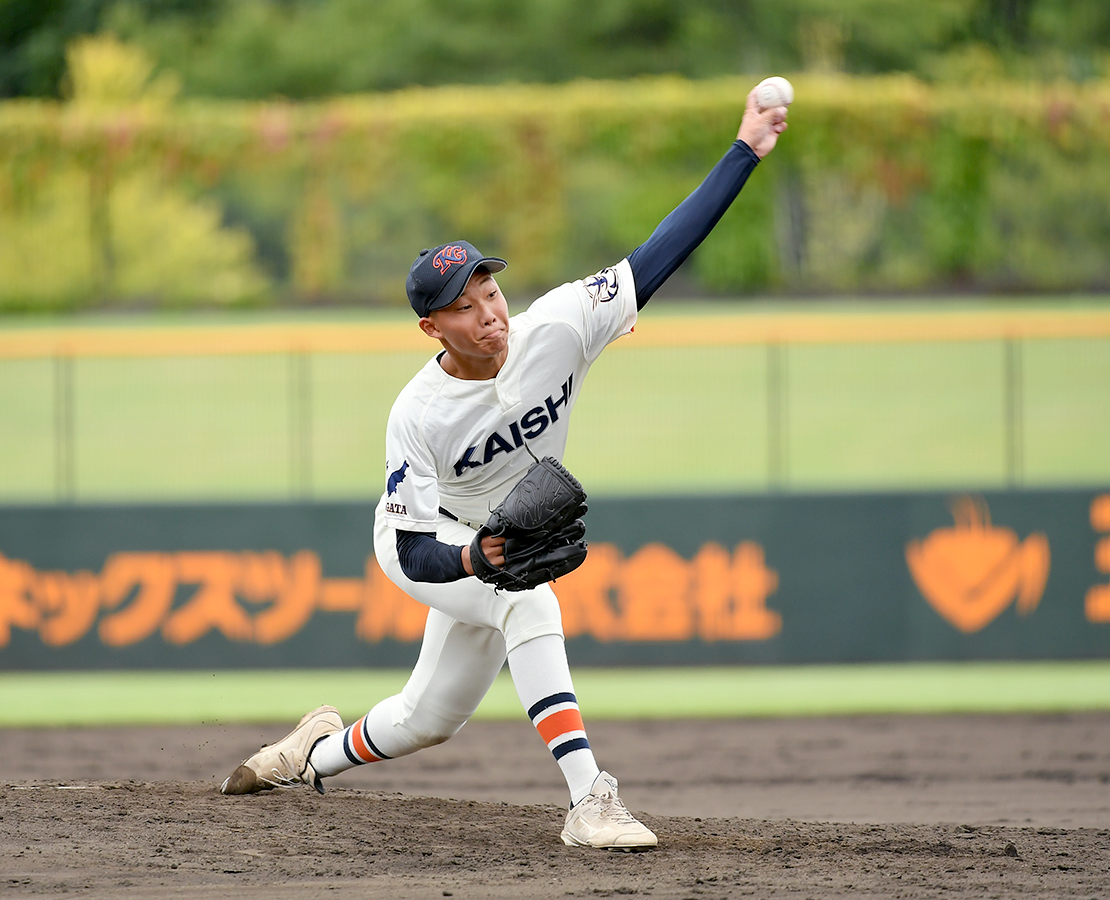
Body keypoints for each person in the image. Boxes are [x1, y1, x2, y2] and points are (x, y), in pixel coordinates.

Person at [222, 87, 788, 851]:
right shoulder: (418, 414)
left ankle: (311, 752)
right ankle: (590, 799)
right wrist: (473, 558)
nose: (489, 310)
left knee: (430, 718)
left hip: (501, 536)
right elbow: (409, 544)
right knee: (530, 602)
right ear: (432, 326)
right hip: (432, 545)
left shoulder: (556, 326)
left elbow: (660, 253)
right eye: (465, 304)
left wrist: (744, 150)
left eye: (490, 290)